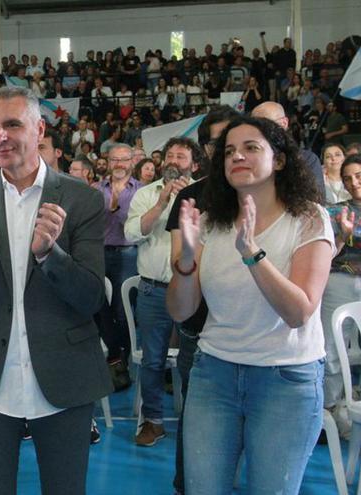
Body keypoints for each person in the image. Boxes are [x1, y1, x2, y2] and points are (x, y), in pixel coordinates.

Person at [0, 86, 110, 494]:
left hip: (63, 377)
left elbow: (93, 298)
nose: (0, 136)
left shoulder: (82, 199)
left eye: (12, 124)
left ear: (39, 130)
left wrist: (49, 256)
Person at [168, 116, 333, 494]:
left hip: (285, 379)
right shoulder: (211, 222)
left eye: (251, 148)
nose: (237, 156)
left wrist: (252, 253)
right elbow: (180, 311)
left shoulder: (308, 219)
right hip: (214, 373)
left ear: (278, 160)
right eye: (228, 151)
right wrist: (188, 259)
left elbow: (299, 311)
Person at [163, 105, 239, 495]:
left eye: (236, 139)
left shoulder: (262, 193)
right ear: (207, 148)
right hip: (200, 327)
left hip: (254, 331)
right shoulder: (191, 197)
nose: (228, 149)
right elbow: (180, 261)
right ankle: (186, 485)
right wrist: (195, 251)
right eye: (217, 142)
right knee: (195, 423)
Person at [125, 137, 202, 447]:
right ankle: (152, 421)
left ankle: (193, 423)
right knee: (153, 360)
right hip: (153, 290)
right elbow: (131, 234)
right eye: (169, 155)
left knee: (191, 361)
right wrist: (162, 203)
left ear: (194, 165)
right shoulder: (146, 194)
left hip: (194, 291)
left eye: (181, 156)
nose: (173, 161)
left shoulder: (205, 194)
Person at [320, 153, 361, 438]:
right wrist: (342, 235)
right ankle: (327, 412)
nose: (353, 183)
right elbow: (325, 251)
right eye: (347, 178)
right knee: (332, 347)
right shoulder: (334, 211)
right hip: (340, 281)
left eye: (358, 176)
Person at [96, 143, 141, 390]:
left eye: (124, 160)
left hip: (128, 255)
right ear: (108, 162)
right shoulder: (95, 190)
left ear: (132, 162)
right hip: (100, 253)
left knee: (123, 312)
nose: (119, 165)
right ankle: (111, 361)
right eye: (115, 160)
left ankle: (121, 362)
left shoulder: (142, 191)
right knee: (101, 311)